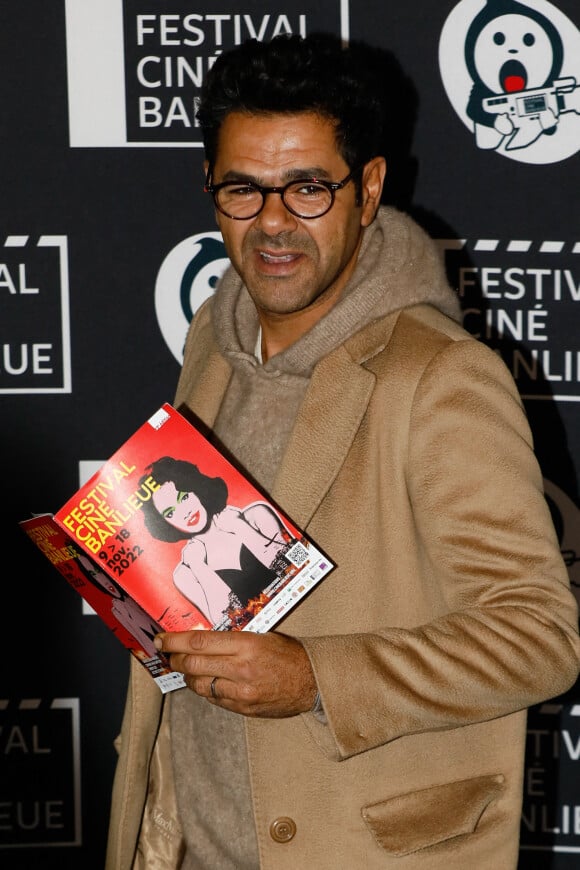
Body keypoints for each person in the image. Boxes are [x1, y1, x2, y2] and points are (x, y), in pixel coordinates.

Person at [106, 32, 580, 870]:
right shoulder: (213, 343)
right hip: (188, 839)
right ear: (209, 189)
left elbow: (542, 636)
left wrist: (318, 678)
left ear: (368, 190)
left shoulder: (439, 379)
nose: (274, 223)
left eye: (309, 188)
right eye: (244, 191)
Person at [140, 456, 295, 625]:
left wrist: (240, 528)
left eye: (184, 498)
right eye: (170, 513)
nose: (184, 513)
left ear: (196, 489)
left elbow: (298, 568)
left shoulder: (255, 516)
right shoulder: (187, 573)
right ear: (164, 523)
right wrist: (200, 567)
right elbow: (227, 624)